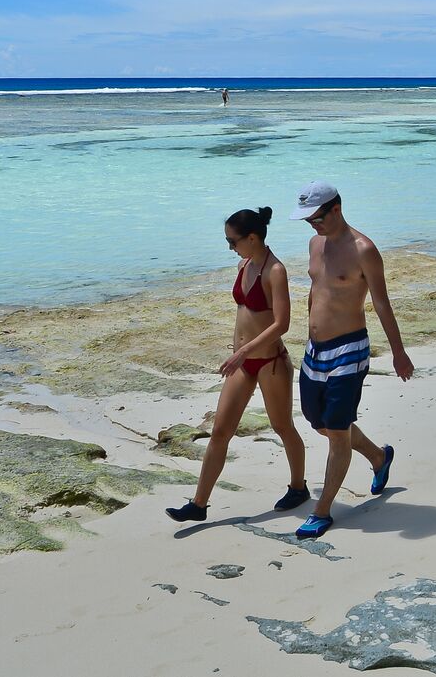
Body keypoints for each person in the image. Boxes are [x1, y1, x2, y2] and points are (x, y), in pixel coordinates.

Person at [166, 206, 310, 522]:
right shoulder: (245, 265)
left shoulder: (276, 271)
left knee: (282, 426)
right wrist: (237, 349)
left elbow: (282, 324)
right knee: (220, 431)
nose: (230, 247)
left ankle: (299, 487)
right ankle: (199, 504)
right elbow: (243, 314)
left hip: (270, 362)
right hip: (242, 365)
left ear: (252, 237)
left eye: (233, 241)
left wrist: (243, 352)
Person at [289, 182, 413, 538]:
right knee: (320, 423)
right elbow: (317, 289)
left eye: (317, 218)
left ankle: (322, 511)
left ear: (337, 209)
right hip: (315, 351)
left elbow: (381, 303)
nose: (313, 226)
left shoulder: (364, 250)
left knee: (337, 433)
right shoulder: (315, 243)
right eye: (308, 220)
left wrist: (398, 352)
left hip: (348, 351)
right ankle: (378, 457)